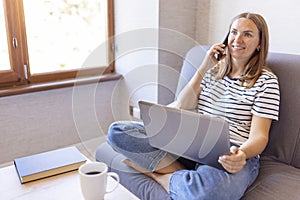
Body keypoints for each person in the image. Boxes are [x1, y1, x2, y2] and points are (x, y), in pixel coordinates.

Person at [107, 12, 280, 200]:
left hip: (231, 152)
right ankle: (187, 177)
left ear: (260, 43)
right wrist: (204, 67)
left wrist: (242, 154)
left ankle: (159, 176)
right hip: (193, 143)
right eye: (234, 32)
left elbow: (260, 136)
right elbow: (182, 104)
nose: (237, 39)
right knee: (118, 132)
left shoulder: (266, 82)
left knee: (209, 194)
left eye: (248, 34)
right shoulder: (214, 71)